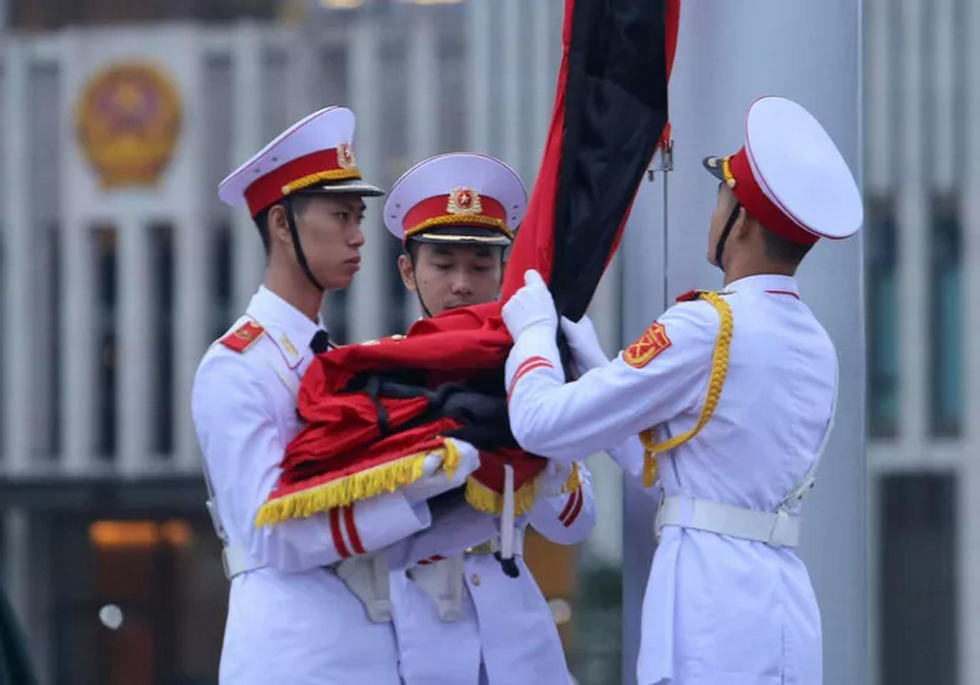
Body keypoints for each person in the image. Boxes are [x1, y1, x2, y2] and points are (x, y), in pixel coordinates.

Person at [500, 96, 864, 685]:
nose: (713, 211)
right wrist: (598, 369)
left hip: (710, 608)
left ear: (741, 220)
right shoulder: (816, 343)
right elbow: (679, 467)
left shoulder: (708, 325)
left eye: (722, 197)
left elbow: (540, 423)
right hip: (783, 606)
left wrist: (533, 338)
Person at [192, 107, 480, 685]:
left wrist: (475, 484)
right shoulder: (236, 365)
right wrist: (411, 484)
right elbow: (268, 531)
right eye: (341, 216)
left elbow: (393, 541)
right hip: (290, 651)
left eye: (359, 217)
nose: (358, 236)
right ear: (282, 224)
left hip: (369, 647)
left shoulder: (334, 359)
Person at [382, 152, 596, 685]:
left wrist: (542, 442)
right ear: (408, 271)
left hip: (515, 638)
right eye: (443, 265)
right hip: (412, 634)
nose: (462, 285)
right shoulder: (377, 377)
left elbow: (573, 525)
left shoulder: (527, 375)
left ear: (504, 272)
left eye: (480, 266)